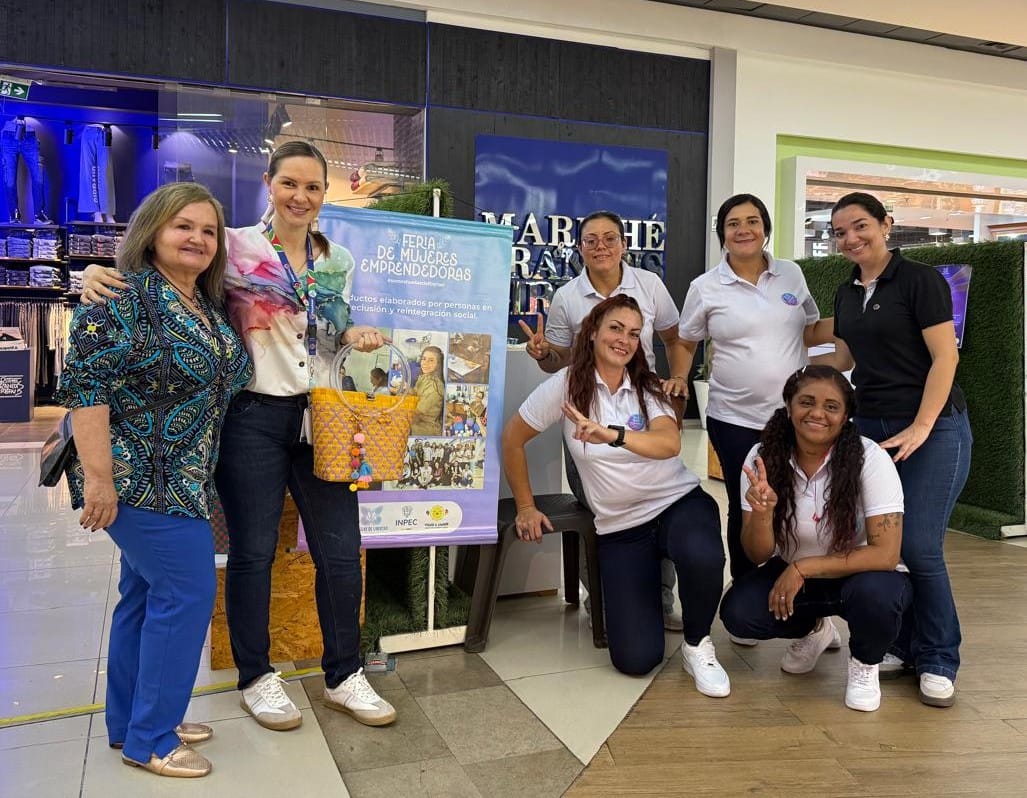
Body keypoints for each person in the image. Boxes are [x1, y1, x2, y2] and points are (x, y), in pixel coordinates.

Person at [79, 141, 397, 732]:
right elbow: (168, 284)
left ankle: (344, 674)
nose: (301, 197)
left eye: (313, 187)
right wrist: (99, 273)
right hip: (251, 416)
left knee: (340, 549)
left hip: (322, 416)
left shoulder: (337, 259)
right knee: (253, 551)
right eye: (290, 184)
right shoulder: (235, 249)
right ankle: (256, 675)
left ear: (325, 194)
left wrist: (358, 333)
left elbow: (330, 327)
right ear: (269, 185)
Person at [57, 183, 253, 777]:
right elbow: (85, 391)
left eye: (208, 231)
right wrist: (99, 481)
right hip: (139, 479)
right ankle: (153, 737)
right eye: (182, 226)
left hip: (185, 478)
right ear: (153, 231)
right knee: (187, 594)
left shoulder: (202, 303)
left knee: (143, 598)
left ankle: (132, 720)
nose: (197, 238)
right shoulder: (121, 296)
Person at [504, 295, 729, 694]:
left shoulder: (646, 385)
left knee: (702, 552)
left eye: (634, 333)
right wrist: (525, 506)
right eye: (615, 328)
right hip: (622, 526)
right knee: (635, 659)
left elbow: (669, 444)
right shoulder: (566, 384)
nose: (624, 339)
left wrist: (612, 435)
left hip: (676, 503)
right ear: (591, 332)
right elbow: (512, 439)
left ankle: (698, 642)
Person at [825, 191, 971, 708]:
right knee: (882, 546)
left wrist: (922, 425)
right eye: (839, 231)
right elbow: (844, 356)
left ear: (887, 224)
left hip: (934, 428)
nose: (850, 238)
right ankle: (904, 647)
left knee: (919, 548)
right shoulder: (846, 292)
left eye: (860, 226)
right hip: (870, 428)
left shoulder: (920, 281)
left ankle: (938, 657)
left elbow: (944, 359)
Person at [519, 210, 688, 631]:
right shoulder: (568, 297)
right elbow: (559, 360)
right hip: (586, 417)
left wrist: (680, 378)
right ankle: (603, 596)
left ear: (623, 245)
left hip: (642, 410)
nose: (600, 247)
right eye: (590, 239)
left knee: (658, 502)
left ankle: (661, 602)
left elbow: (675, 337)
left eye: (609, 238)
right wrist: (544, 355)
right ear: (580, 248)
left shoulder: (649, 286)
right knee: (598, 508)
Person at [719, 366, 911, 712]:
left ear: (846, 415)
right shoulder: (762, 457)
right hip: (796, 571)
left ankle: (865, 664)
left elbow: (885, 554)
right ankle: (814, 631)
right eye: (806, 402)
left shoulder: (870, 459)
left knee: (878, 595)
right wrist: (762, 512)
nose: (817, 413)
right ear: (789, 406)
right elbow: (757, 553)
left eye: (831, 406)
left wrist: (803, 568)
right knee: (740, 613)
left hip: (860, 573)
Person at [677, 194, 834, 586]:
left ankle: (801, 586)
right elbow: (685, 339)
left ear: (765, 228)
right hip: (734, 419)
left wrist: (855, 319)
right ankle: (746, 586)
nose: (743, 229)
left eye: (752, 221)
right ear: (722, 234)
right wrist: (679, 381)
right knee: (745, 503)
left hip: (795, 418)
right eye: (733, 223)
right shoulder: (705, 286)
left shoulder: (791, 274)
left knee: (801, 501)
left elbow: (810, 330)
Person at [410, 344, 445, 436]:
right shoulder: (425, 377)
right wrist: (406, 389)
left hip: (426, 431)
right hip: (415, 427)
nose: (425, 363)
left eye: (431, 360)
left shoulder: (435, 387)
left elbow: (417, 414)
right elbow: (416, 394)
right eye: (424, 359)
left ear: (438, 364)